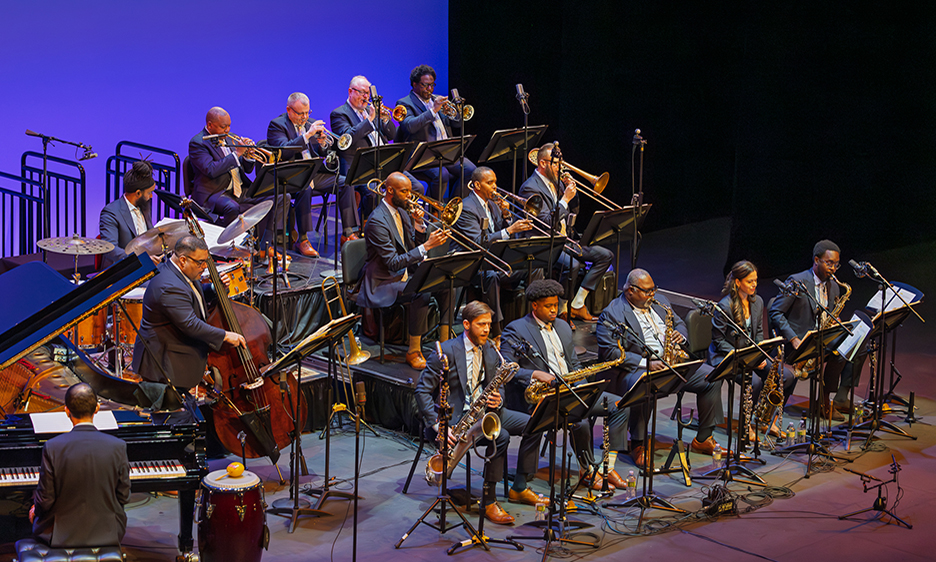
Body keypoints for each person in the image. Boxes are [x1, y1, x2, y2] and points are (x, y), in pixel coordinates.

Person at [415, 301, 545, 525]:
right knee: (500, 437)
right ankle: (489, 501)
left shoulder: (490, 349)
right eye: (481, 324)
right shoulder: (445, 351)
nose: (487, 329)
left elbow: (499, 384)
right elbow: (422, 390)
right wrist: (438, 425)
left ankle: (520, 486)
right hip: (455, 420)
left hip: (486, 412)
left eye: (489, 324)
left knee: (536, 423)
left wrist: (499, 397)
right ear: (466, 324)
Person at [501, 279, 629, 490]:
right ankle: (587, 470)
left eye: (556, 305)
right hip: (542, 396)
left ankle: (608, 466)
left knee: (619, 405)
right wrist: (535, 373)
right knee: (580, 421)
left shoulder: (562, 326)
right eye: (548, 306)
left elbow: (574, 363)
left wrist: (583, 386)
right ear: (534, 305)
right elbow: (508, 368)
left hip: (572, 389)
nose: (554, 310)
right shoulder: (516, 330)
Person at [596, 269, 726, 466]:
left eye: (653, 289)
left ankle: (703, 438)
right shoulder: (611, 314)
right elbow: (612, 354)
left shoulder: (660, 301)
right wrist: (646, 363)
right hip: (635, 368)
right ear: (630, 291)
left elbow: (680, 323)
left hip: (670, 361)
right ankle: (638, 444)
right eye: (647, 291)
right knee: (645, 383)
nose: (652, 295)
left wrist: (680, 336)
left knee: (712, 376)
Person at [356, 172, 450, 369]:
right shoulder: (377, 220)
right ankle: (413, 351)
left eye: (410, 191)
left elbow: (410, 246)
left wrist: (418, 225)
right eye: (405, 192)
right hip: (383, 281)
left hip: (405, 273)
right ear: (390, 191)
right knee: (420, 292)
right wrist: (427, 246)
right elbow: (392, 262)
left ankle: (446, 343)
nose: (410, 196)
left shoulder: (403, 212)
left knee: (447, 282)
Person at [132, 235, 246, 392]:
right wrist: (225, 335)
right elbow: (191, 324)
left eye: (206, 261)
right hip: (164, 366)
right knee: (170, 413)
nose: (205, 267)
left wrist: (215, 288)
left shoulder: (178, 272)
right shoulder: (169, 286)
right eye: (201, 262)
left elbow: (192, 295)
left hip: (172, 360)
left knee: (182, 411)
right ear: (183, 260)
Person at [519, 143, 613, 324]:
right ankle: (562, 309)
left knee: (605, 255)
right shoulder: (530, 187)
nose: (559, 168)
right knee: (574, 265)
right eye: (555, 164)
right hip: (545, 242)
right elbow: (546, 222)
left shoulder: (556, 182)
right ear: (543, 163)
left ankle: (577, 304)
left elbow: (573, 212)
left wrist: (572, 193)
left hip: (566, 239)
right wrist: (564, 199)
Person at [30, 383, 130, 548]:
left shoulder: (53, 447)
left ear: (66, 410)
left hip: (60, 535)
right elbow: (124, 496)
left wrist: (35, 511)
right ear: (97, 408)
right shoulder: (117, 446)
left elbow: (45, 500)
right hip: (109, 531)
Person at [768, 240, 858, 420]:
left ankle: (830, 398)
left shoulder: (833, 285)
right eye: (829, 263)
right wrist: (793, 339)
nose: (833, 269)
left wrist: (836, 321)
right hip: (800, 342)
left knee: (854, 344)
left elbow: (829, 313)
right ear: (816, 260)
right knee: (839, 352)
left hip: (822, 339)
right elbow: (775, 312)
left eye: (836, 264)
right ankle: (823, 402)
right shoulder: (797, 281)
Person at [708, 261, 796, 439]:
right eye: (750, 281)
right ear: (738, 282)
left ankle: (768, 420)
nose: (754, 284)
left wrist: (760, 354)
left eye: (755, 280)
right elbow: (718, 342)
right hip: (726, 356)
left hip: (750, 354)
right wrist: (745, 358)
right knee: (754, 382)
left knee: (788, 377)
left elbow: (758, 334)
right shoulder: (724, 307)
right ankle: (745, 425)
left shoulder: (757, 302)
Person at [330, 75, 425, 229]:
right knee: (372, 193)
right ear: (350, 91)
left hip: (385, 162)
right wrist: (370, 119)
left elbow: (392, 135)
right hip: (361, 166)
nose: (366, 97)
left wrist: (386, 120)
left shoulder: (371, 110)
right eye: (362, 93)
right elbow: (347, 139)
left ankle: (405, 224)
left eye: (367, 93)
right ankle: (372, 226)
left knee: (416, 187)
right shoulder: (340, 114)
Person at [452, 166, 536, 337]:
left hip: (494, 260)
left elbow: (505, 235)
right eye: (489, 183)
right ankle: (497, 332)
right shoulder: (466, 207)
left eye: (495, 182)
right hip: (473, 265)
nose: (495, 186)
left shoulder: (493, 204)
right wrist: (509, 230)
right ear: (476, 185)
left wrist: (506, 217)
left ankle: (532, 321)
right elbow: (476, 242)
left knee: (532, 264)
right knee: (490, 276)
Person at [188, 107, 287, 251]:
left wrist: (247, 155)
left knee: (280, 196)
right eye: (223, 126)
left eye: (229, 125)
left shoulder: (228, 137)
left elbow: (246, 170)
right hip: (214, 193)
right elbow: (211, 170)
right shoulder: (198, 143)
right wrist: (237, 154)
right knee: (231, 207)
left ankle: (265, 246)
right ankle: (231, 249)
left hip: (239, 188)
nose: (228, 130)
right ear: (210, 125)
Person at [267, 92, 346, 256]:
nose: (305, 117)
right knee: (305, 188)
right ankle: (303, 239)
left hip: (313, 173)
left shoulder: (309, 123)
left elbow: (320, 152)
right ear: (289, 110)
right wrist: (307, 135)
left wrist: (323, 143)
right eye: (300, 113)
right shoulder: (277, 125)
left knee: (345, 181)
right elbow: (284, 151)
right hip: (290, 176)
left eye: (307, 112)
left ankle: (348, 232)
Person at [395, 64, 476, 199]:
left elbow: (456, 124)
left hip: (447, 151)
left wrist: (456, 113)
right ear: (414, 84)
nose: (429, 89)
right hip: (424, 155)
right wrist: (433, 111)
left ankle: (454, 207)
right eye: (425, 85)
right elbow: (410, 126)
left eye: (432, 85)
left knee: (472, 171)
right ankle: (435, 213)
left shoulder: (437, 99)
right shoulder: (404, 103)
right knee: (442, 175)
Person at [99, 160, 157, 269]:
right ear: (138, 193)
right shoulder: (111, 213)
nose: (151, 196)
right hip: (125, 269)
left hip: (147, 265)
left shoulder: (144, 206)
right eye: (149, 193)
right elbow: (110, 248)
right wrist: (140, 258)